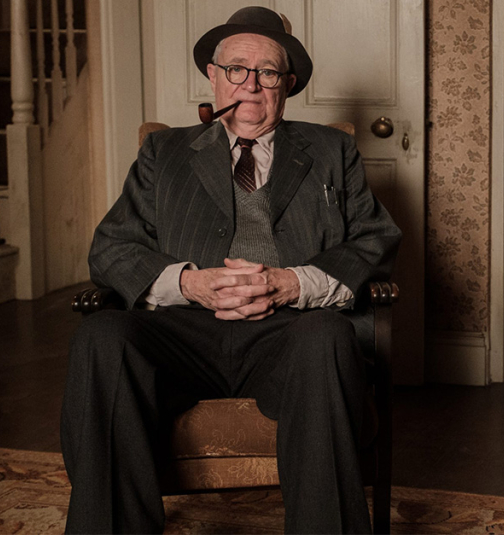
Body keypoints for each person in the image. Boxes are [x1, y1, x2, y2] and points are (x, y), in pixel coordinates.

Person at [60, 6, 401, 533]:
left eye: (267, 72)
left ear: (287, 84)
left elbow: (375, 238)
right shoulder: (164, 151)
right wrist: (189, 283)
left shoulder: (332, 149)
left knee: (327, 337)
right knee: (102, 335)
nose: (251, 84)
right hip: (183, 332)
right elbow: (111, 247)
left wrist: (291, 284)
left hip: (291, 332)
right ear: (213, 76)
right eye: (236, 69)